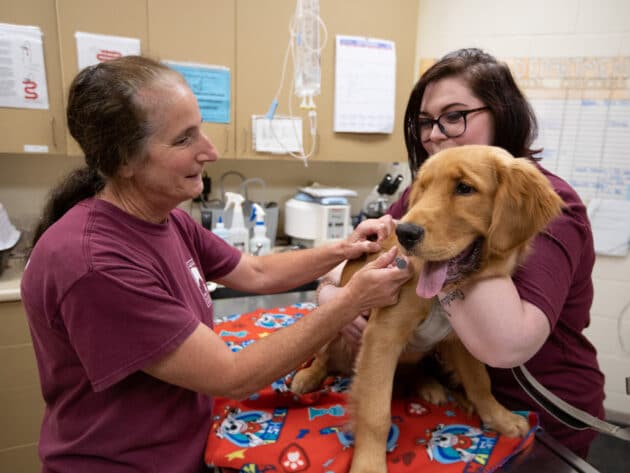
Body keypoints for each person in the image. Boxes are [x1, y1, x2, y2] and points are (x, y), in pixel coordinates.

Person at [20, 55, 412, 473]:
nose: (211, 150)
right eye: (184, 139)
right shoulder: (95, 264)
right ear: (124, 161)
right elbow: (232, 375)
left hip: (187, 448)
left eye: (201, 129)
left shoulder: (166, 218)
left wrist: (342, 249)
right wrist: (352, 300)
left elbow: (255, 272)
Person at [320, 48, 605, 458]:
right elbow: (354, 261)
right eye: (424, 122)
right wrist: (338, 300)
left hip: (544, 417)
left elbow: (504, 345)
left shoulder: (547, 206)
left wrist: (440, 263)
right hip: (449, 407)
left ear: (503, 113)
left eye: (453, 116)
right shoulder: (429, 189)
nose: (434, 134)